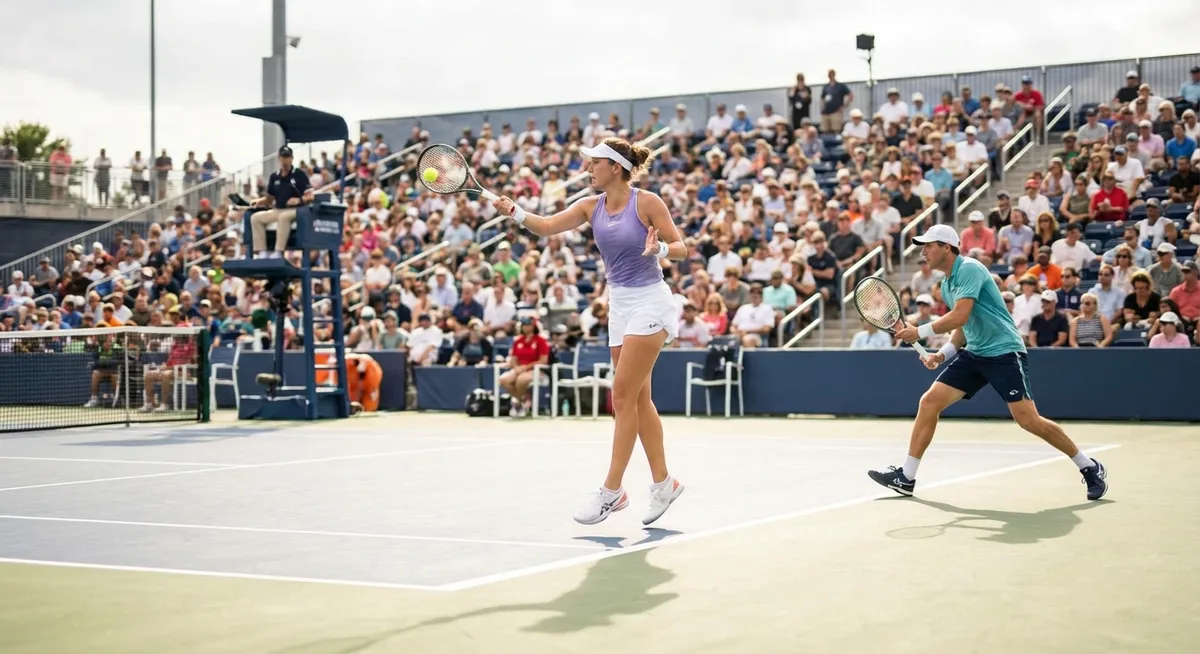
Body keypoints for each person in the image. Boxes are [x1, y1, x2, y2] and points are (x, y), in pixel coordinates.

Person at [491, 137, 686, 526]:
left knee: (622, 395)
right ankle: (664, 483)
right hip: (620, 305)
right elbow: (545, 227)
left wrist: (660, 250)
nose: (586, 169)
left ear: (615, 167)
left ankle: (612, 492)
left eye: (593, 163)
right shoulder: (588, 206)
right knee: (639, 400)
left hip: (652, 301)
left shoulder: (647, 203)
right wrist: (513, 211)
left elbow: (681, 247)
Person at [871, 224, 1108, 500]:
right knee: (929, 401)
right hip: (975, 353)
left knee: (1028, 420)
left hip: (1004, 351)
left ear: (946, 247)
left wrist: (919, 331)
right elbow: (964, 326)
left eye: (929, 245)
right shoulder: (947, 284)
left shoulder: (969, 269)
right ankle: (907, 477)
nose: (924, 252)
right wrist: (943, 353)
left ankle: (1089, 467)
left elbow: (959, 316)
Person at [250, 145, 313, 258]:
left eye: (288, 157)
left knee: (283, 217)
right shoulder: (274, 176)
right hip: (278, 209)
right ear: (279, 158)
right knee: (255, 218)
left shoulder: (299, 174)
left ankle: (279, 251)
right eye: (283, 157)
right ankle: (262, 251)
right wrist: (259, 201)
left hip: (296, 210)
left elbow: (310, 196)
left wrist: (299, 199)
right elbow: (270, 198)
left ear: (292, 158)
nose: (285, 160)